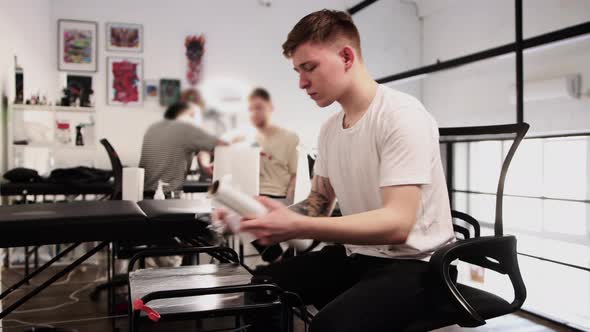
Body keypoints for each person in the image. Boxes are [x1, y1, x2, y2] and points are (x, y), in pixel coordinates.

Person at [215, 9, 455, 331]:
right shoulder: (330, 129)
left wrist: (297, 226)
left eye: (309, 68)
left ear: (345, 56)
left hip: (420, 266)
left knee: (331, 326)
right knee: (264, 286)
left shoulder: (402, 115)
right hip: (362, 257)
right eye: (297, 71)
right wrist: (262, 217)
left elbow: (397, 224)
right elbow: (318, 203)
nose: (301, 82)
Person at [139, 101, 225, 197]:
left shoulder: (154, 128)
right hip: (166, 196)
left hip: (142, 195)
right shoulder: (185, 128)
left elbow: (203, 150)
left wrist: (204, 164)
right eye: (199, 117)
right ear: (191, 114)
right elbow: (222, 145)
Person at [248, 87, 299, 203]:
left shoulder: (290, 138)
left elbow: (295, 175)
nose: (254, 113)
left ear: (270, 107)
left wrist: (288, 203)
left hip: (278, 197)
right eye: (251, 109)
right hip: (251, 196)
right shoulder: (248, 139)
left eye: (259, 108)